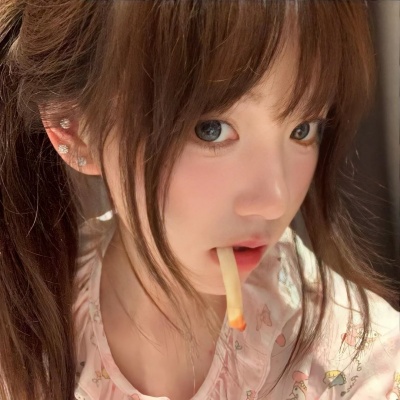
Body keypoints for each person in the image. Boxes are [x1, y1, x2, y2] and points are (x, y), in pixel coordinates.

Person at [0, 1, 398, 399]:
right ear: (74, 127)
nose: (275, 201)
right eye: (212, 129)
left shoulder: (356, 364)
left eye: (303, 129)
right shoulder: (22, 335)